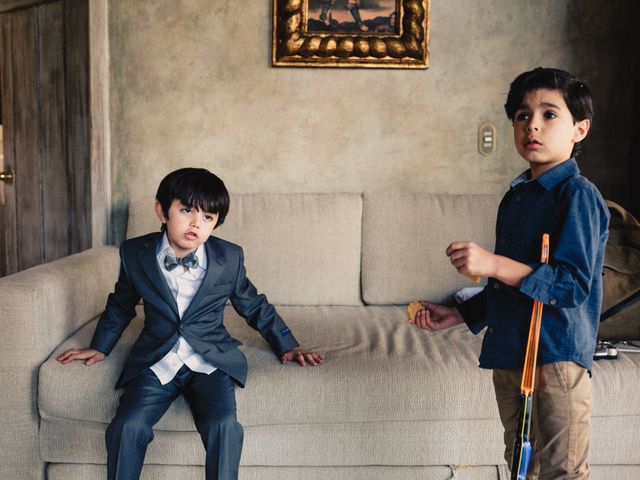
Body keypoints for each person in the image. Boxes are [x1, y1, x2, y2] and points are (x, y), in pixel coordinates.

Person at [57, 167, 324, 480]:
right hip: (158, 358)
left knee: (223, 426)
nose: (196, 223)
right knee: (127, 426)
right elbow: (121, 304)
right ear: (162, 211)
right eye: (186, 211)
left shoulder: (229, 257)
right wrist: (99, 347)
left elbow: (253, 305)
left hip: (209, 359)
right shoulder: (135, 253)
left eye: (208, 217)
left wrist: (287, 344)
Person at [408, 68, 609, 479]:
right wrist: (462, 315)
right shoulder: (517, 196)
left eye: (549, 114)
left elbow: (570, 286)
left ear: (580, 129)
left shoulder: (578, 195)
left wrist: (491, 263)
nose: (532, 124)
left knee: (561, 471)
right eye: (522, 114)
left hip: (556, 355)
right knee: (522, 465)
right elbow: (514, 282)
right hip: (512, 352)